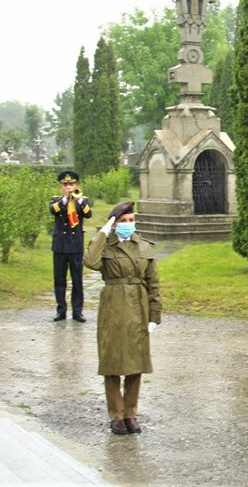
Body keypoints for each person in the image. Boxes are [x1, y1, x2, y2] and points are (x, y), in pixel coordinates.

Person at [84, 201, 161, 435]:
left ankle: (130, 413)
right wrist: (103, 232)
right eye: (123, 221)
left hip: (138, 307)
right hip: (113, 307)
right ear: (115, 224)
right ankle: (116, 415)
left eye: (131, 220)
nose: (129, 224)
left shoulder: (144, 246)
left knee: (136, 363)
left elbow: (153, 283)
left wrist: (154, 316)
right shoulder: (106, 245)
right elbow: (90, 262)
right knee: (112, 362)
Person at [49, 170, 92, 322]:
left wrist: (78, 200)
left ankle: (77, 312)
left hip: (75, 246)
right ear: (61, 187)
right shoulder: (56, 200)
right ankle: (61, 311)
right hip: (60, 245)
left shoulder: (83, 201)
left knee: (77, 280)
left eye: (71, 184)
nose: (69, 187)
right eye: (66, 185)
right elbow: (53, 210)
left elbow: (88, 214)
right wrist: (65, 200)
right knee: (59, 280)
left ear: (76, 185)